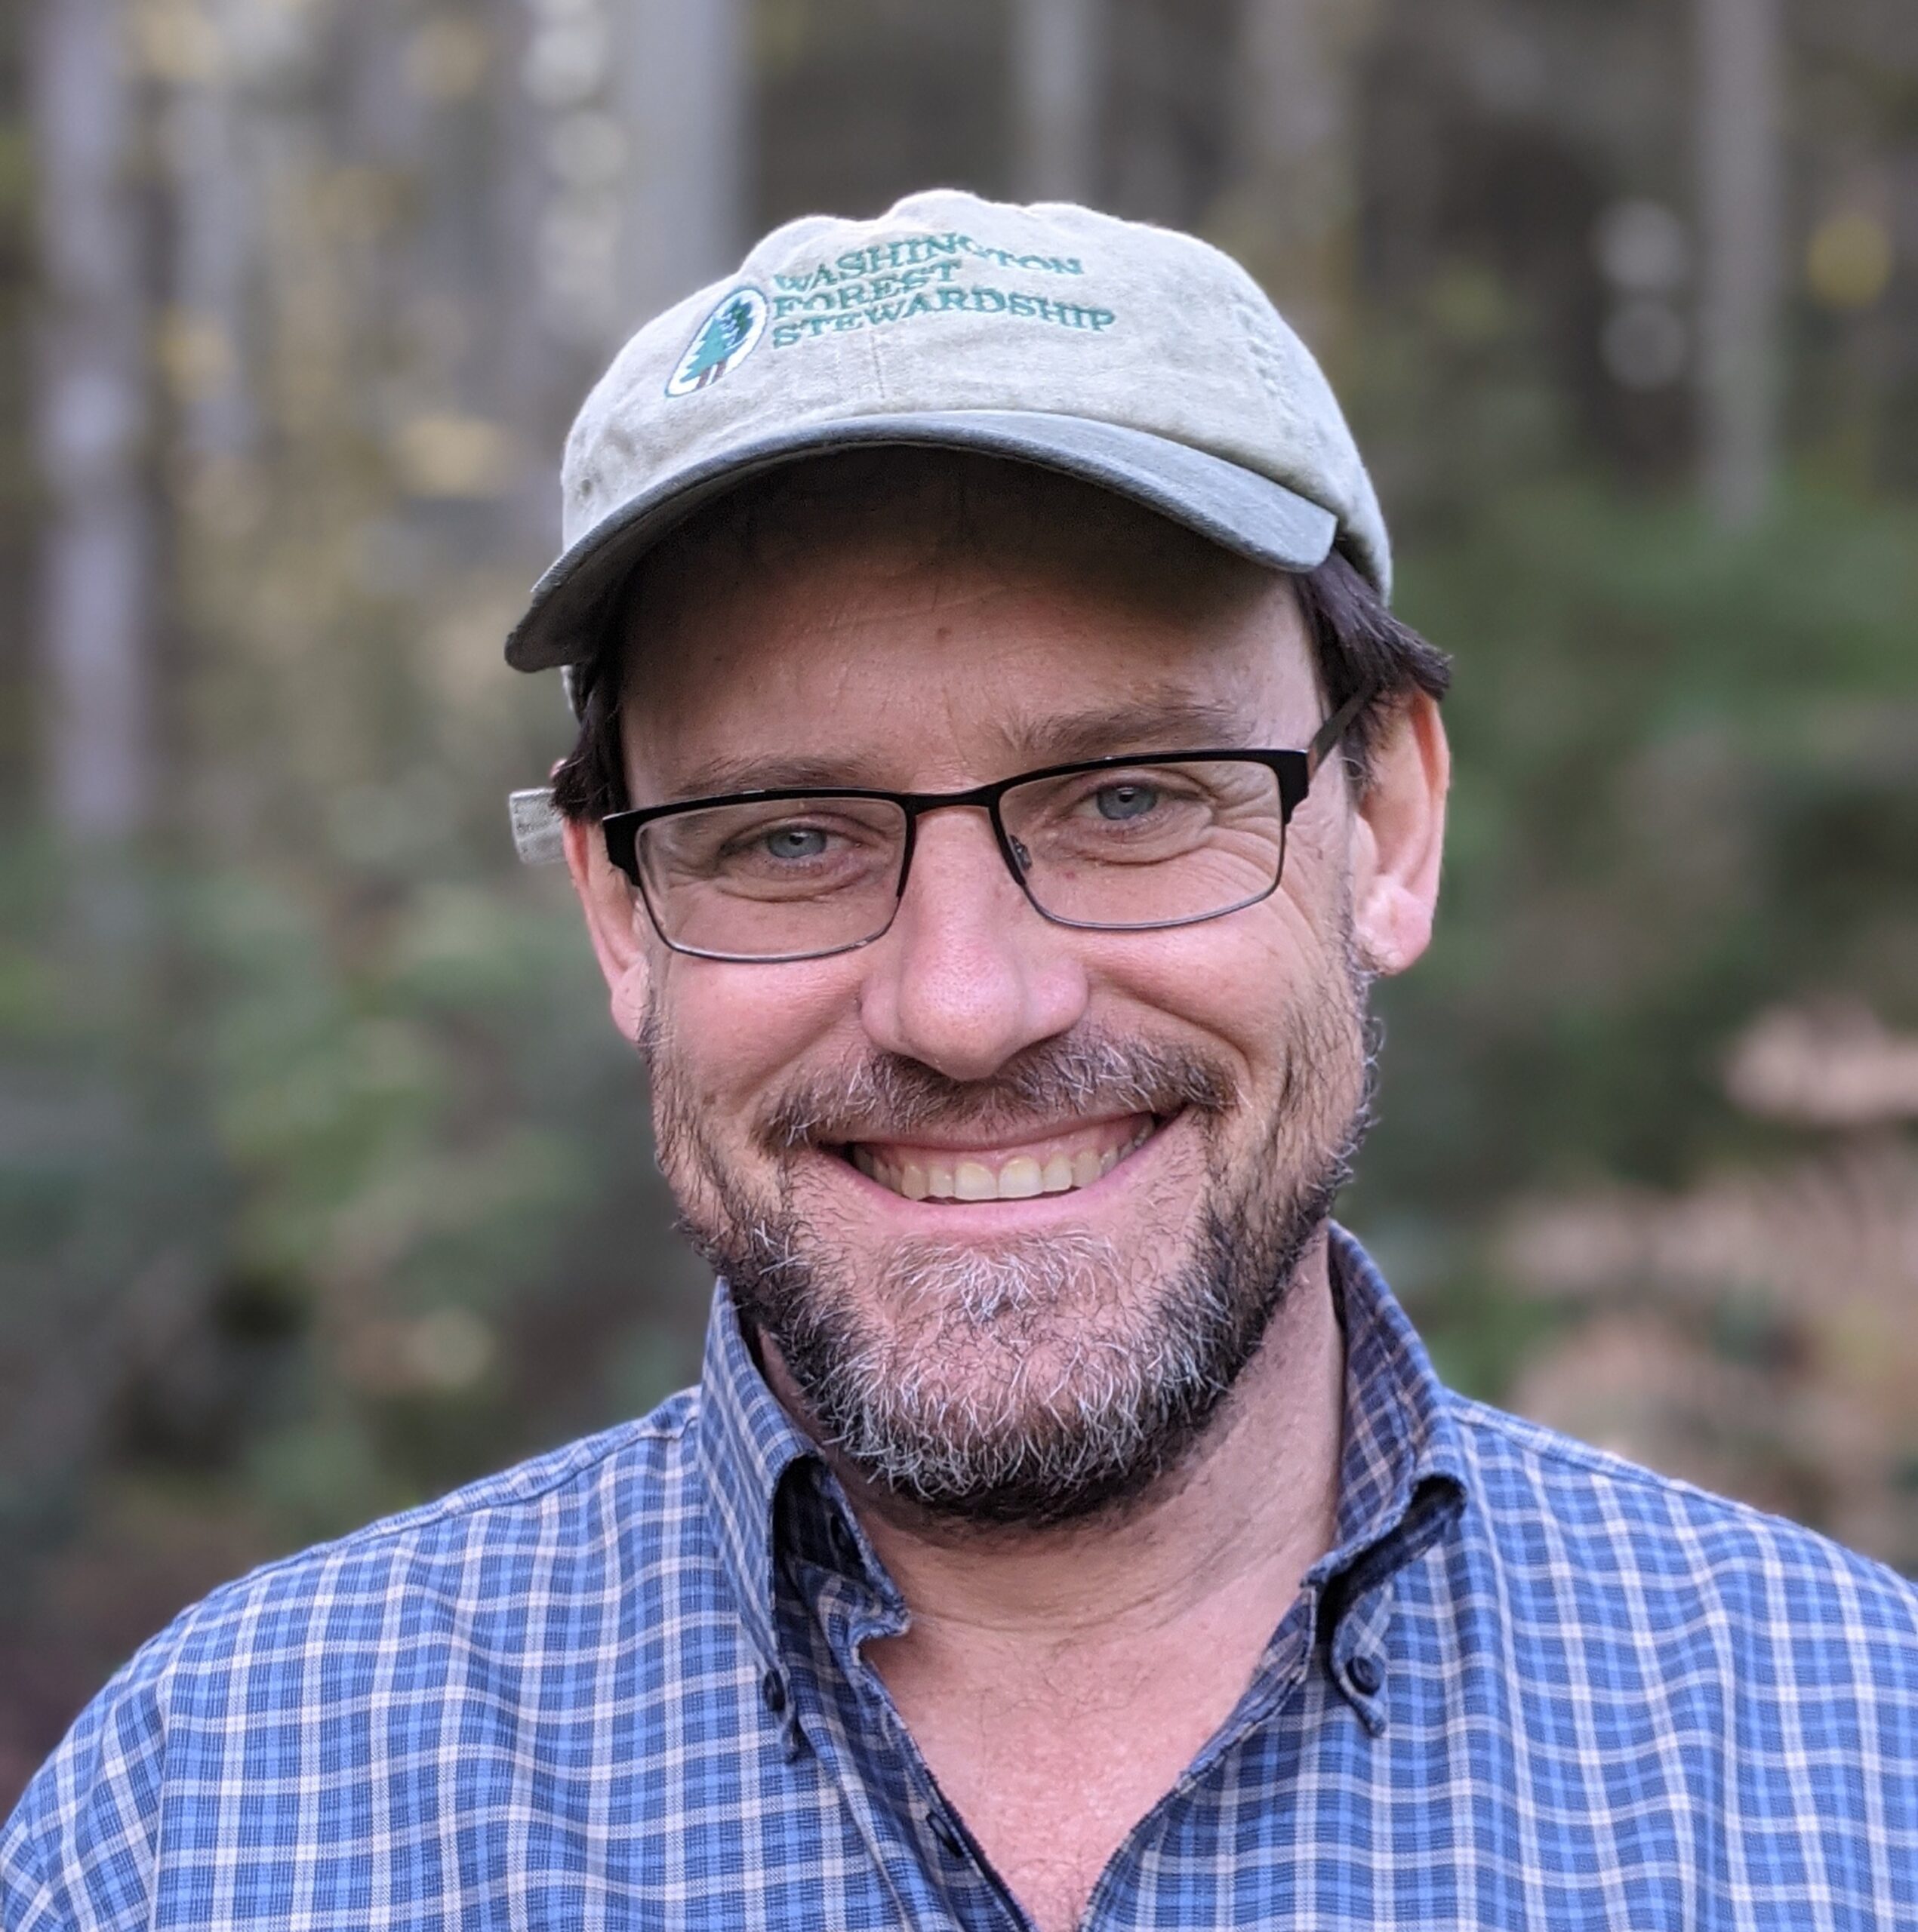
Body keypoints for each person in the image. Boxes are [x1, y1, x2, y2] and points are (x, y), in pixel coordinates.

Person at [5, 189, 1914, 1932]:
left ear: (1387, 824)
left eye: (1129, 795)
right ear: (616, 912)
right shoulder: (213, 1816)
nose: (964, 1002)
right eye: (787, 834)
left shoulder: (1852, 1774)